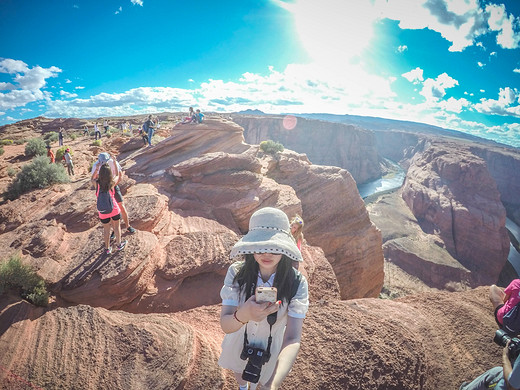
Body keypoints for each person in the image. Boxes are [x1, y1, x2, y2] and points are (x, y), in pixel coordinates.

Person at [219, 207, 309, 390]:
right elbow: (226, 325)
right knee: (239, 370)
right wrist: (243, 314)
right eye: (260, 247)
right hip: (239, 338)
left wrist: (272, 385)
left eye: (274, 248)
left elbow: (292, 338)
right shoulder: (237, 273)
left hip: (272, 350)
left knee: (261, 381)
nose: (266, 254)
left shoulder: (296, 282)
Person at [91, 152, 137, 234]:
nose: (104, 162)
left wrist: (111, 186)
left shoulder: (113, 162)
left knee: (121, 206)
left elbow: (120, 176)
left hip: (112, 186)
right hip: (104, 189)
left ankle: (128, 226)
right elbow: (94, 179)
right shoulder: (96, 165)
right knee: (110, 209)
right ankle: (114, 231)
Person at [96, 163, 127, 255]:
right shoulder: (112, 183)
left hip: (103, 211)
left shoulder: (96, 184)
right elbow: (118, 175)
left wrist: (97, 169)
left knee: (106, 230)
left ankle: (107, 248)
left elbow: (91, 178)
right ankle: (119, 244)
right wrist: (114, 162)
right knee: (116, 227)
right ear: (110, 173)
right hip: (114, 209)